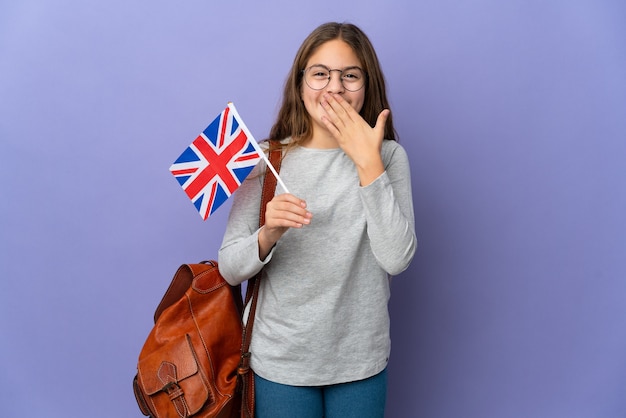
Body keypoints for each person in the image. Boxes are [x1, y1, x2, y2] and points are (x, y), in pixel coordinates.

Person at [218, 22, 417, 418]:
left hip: (359, 361)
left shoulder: (389, 158)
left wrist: (367, 162)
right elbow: (229, 267)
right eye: (321, 73)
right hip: (280, 361)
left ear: (367, 85)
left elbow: (397, 258)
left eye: (350, 75)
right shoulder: (266, 160)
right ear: (301, 83)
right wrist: (268, 232)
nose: (335, 87)